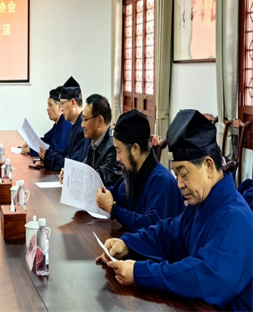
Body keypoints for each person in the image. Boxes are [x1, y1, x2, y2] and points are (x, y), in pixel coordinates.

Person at [97, 109, 253, 311]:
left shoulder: (236, 218)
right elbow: (168, 232)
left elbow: (202, 276)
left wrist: (139, 272)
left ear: (208, 165)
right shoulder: (201, 204)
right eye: (176, 173)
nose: (179, 184)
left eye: (184, 174)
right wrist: (127, 244)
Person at [95, 109, 184, 232]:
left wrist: (113, 208)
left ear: (135, 149)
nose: (117, 158)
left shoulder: (161, 181)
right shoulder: (135, 172)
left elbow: (150, 226)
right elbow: (116, 194)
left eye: (119, 151)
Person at [36, 76, 90, 171]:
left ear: (73, 102)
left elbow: (74, 164)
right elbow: (65, 153)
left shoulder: (83, 128)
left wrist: (48, 156)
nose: (61, 109)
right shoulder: (75, 124)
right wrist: (47, 155)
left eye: (63, 104)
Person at [80, 94, 122, 186]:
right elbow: (84, 169)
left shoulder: (113, 148)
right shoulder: (95, 142)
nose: (82, 125)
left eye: (85, 119)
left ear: (99, 121)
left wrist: (75, 178)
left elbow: (99, 180)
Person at [21, 86, 71, 156]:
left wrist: (31, 150)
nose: (47, 109)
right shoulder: (58, 124)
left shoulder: (64, 124)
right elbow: (45, 140)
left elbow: (54, 149)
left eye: (50, 105)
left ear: (60, 106)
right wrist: (30, 144)